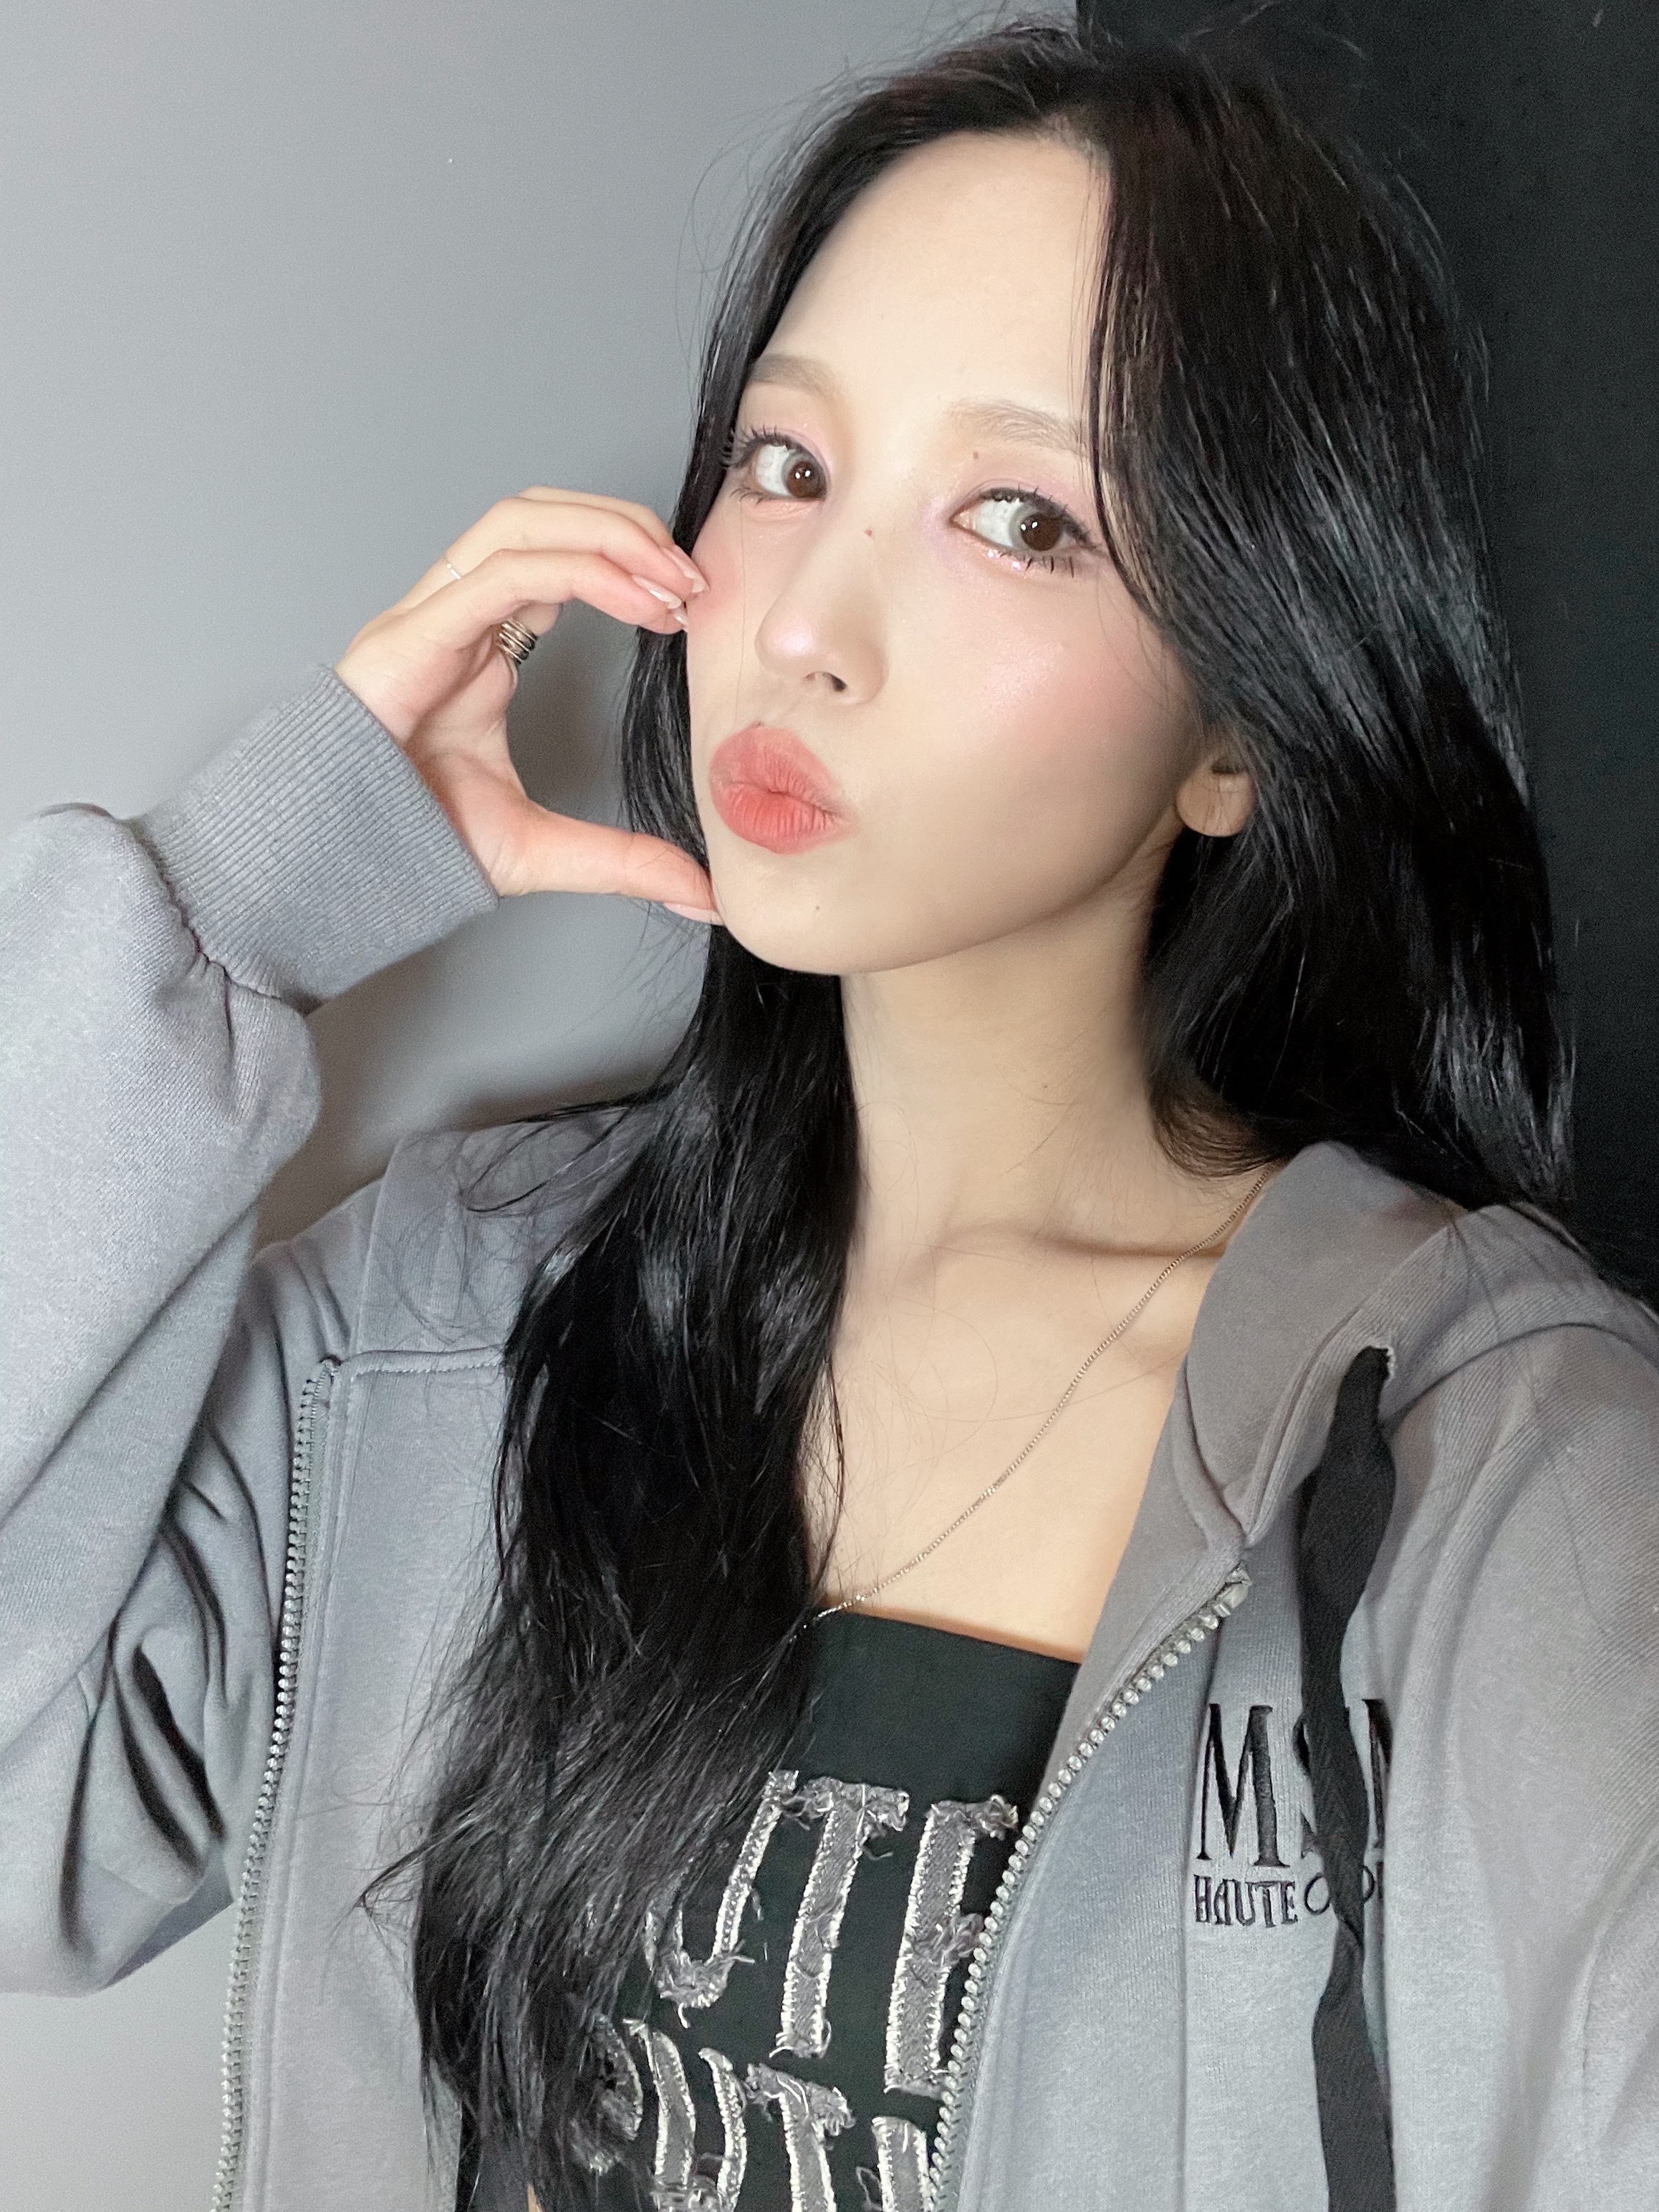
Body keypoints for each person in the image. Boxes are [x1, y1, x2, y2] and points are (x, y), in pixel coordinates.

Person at [2, 18, 1656, 2212]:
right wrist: (241, 900)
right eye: (784, 464)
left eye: (1018, 518)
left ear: (1236, 737)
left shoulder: (1491, 1474)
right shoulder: (448, 1312)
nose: (805, 627)